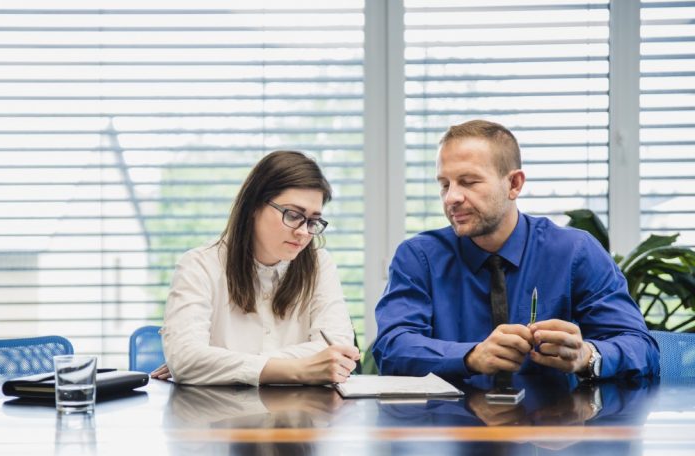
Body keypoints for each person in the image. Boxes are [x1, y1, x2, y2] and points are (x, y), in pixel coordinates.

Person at [372, 120, 659, 381]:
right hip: (450, 428)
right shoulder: (418, 257)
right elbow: (392, 347)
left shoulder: (576, 252)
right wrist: (471, 356)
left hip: (554, 430)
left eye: (469, 182)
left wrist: (587, 356)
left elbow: (641, 348)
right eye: (444, 184)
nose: (452, 198)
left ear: (514, 184)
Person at [152, 150, 360, 385]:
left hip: (303, 416)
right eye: (293, 215)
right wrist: (299, 369)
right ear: (253, 206)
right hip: (219, 416)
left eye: (313, 221)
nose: (303, 232)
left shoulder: (320, 264)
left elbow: (338, 350)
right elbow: (186, 360)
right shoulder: (198, 266)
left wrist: (217, 363)